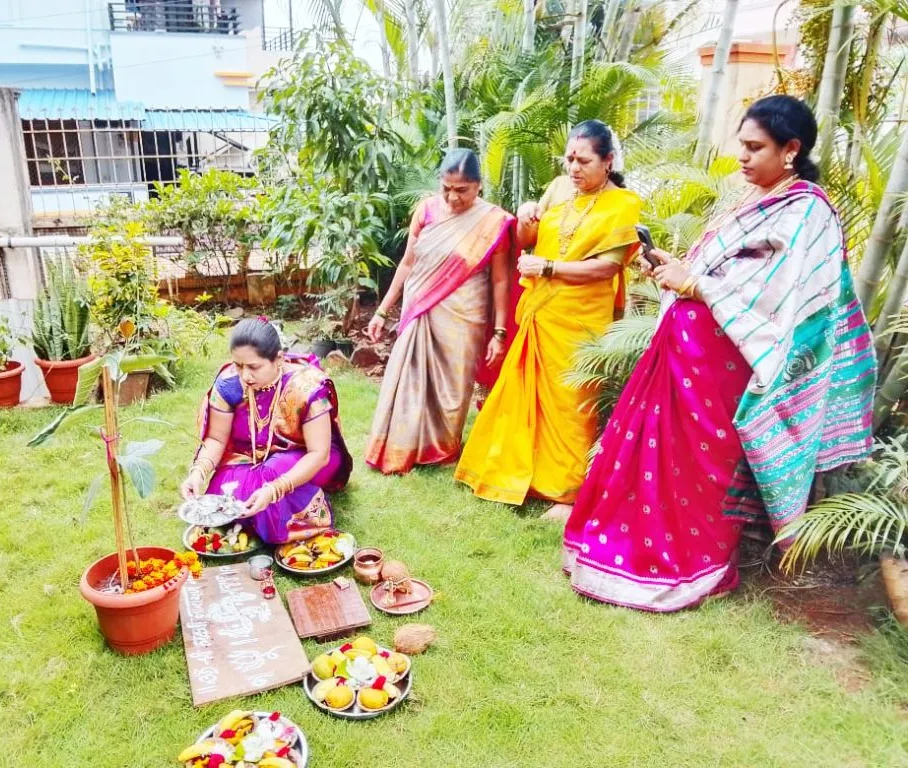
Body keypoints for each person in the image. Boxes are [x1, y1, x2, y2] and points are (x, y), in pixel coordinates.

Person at [562, 96, 877, 612]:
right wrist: (676, 272)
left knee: (698, 469)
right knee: (653, 456)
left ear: (792, 149)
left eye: (756, 148)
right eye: (742, 147)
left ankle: (688, 566)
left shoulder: (807, 212)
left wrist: (698, 286)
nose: (743, 159)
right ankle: (622, 552)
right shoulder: (758, 200)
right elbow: (724, 275)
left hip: (724, 368)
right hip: (689, 354)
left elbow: (781, 301)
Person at [455, 120, 642, 518]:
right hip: (543, 310)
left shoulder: (624, 204)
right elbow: (526, 241)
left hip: (582, 319)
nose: (574, 168)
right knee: (528, 396)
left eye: (584, 160)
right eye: (570, 159)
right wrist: (526, 217)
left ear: (608, 161)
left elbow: (607, 268)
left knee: (572, 404)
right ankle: (515, 474)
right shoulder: (559, 188)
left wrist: (549, 268)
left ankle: (566, 492)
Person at [364, 149, 515, 475]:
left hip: (466, 315)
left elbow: (502, 280)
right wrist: (382, 310)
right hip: (420, 307)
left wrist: (500, 332)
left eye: (461, 189)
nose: (452, 196)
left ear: (478, 186)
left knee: (452, 390)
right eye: (446, 187)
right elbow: (408, 263)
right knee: (411, 378)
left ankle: (441, 447)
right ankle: (401, 447)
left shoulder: (493, 222)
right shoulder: (427, 210)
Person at [182, 318, 353, 544]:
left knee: (269, 475)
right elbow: (216, 438)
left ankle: (285, 514)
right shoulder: (229, 384)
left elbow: (319, 454)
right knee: (224, 491)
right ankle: (263, 506)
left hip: (307, 458)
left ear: (278, 359)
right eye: (238, 365)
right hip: (248, 457)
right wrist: (198, 473)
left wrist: (274, 490)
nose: (245, 376)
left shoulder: (306, 388)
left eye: (254, 367)